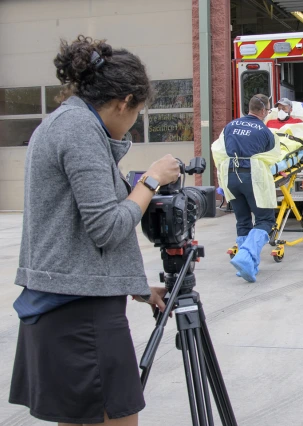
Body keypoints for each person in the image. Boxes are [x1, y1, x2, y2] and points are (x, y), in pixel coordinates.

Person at [8, 36, 181, 425]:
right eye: (138, 111)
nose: (135, 120)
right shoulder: (79, 129)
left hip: (68, 307)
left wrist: (134, 285)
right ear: (124, 102)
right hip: (79, 316)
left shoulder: (65, 123)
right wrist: (150, 181)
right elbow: (106, 227)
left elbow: (71, 232)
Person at [211, 95, 281, 282]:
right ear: (264, 111)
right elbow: (274, 156)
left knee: (243, 221)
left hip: (230, 177)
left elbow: (217, 149)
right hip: (253, 177)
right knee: (265, 220)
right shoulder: (265, 131)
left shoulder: (230, 126)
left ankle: (248, 265)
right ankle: (245, 255)